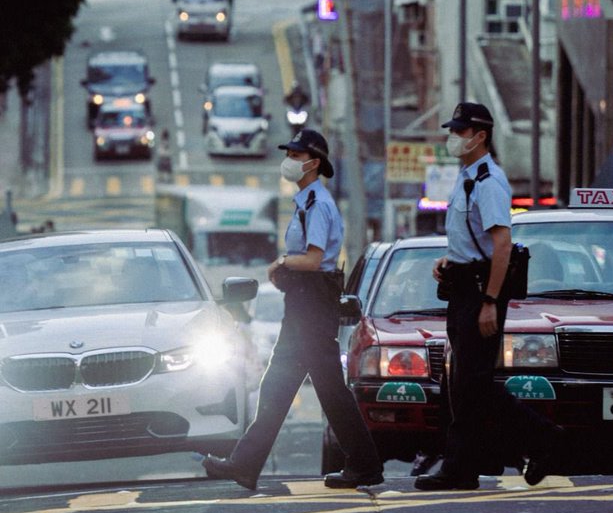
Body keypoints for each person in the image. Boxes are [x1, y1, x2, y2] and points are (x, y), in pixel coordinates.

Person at [203, 129, 382, 491]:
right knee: (277, 384)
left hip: (313, 303)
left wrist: (282, 263)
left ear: (313, 163)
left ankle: (365, 464)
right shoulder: (306, 202)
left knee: (329, 387)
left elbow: (314, 259)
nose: (289, 161)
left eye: (296, 156)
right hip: (302, 303)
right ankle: (245, 464)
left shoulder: (318, 204)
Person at [414, 102, 563, 491]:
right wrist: (450, 259)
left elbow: (502, 245)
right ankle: (465, 466)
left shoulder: (489, 181)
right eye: (453, 130)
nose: (453, 138)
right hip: (463, 286)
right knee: (464, 385)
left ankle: (542, 438)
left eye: (460, 131)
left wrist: (490, 301)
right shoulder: (467, 178)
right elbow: (475, 239)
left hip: (481, 291)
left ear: (480, 136)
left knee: (473, 384)